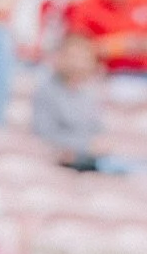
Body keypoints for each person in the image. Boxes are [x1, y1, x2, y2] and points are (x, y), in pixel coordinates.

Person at [30, 34, 107, 168]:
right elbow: (43, 134)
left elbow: (97, 130)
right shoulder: (46, 91)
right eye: (73, 57)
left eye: (83, 58)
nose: (77, 63)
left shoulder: (90, 93)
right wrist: (83, 145)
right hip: (57, 160)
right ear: (60, 58)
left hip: (89, 160)